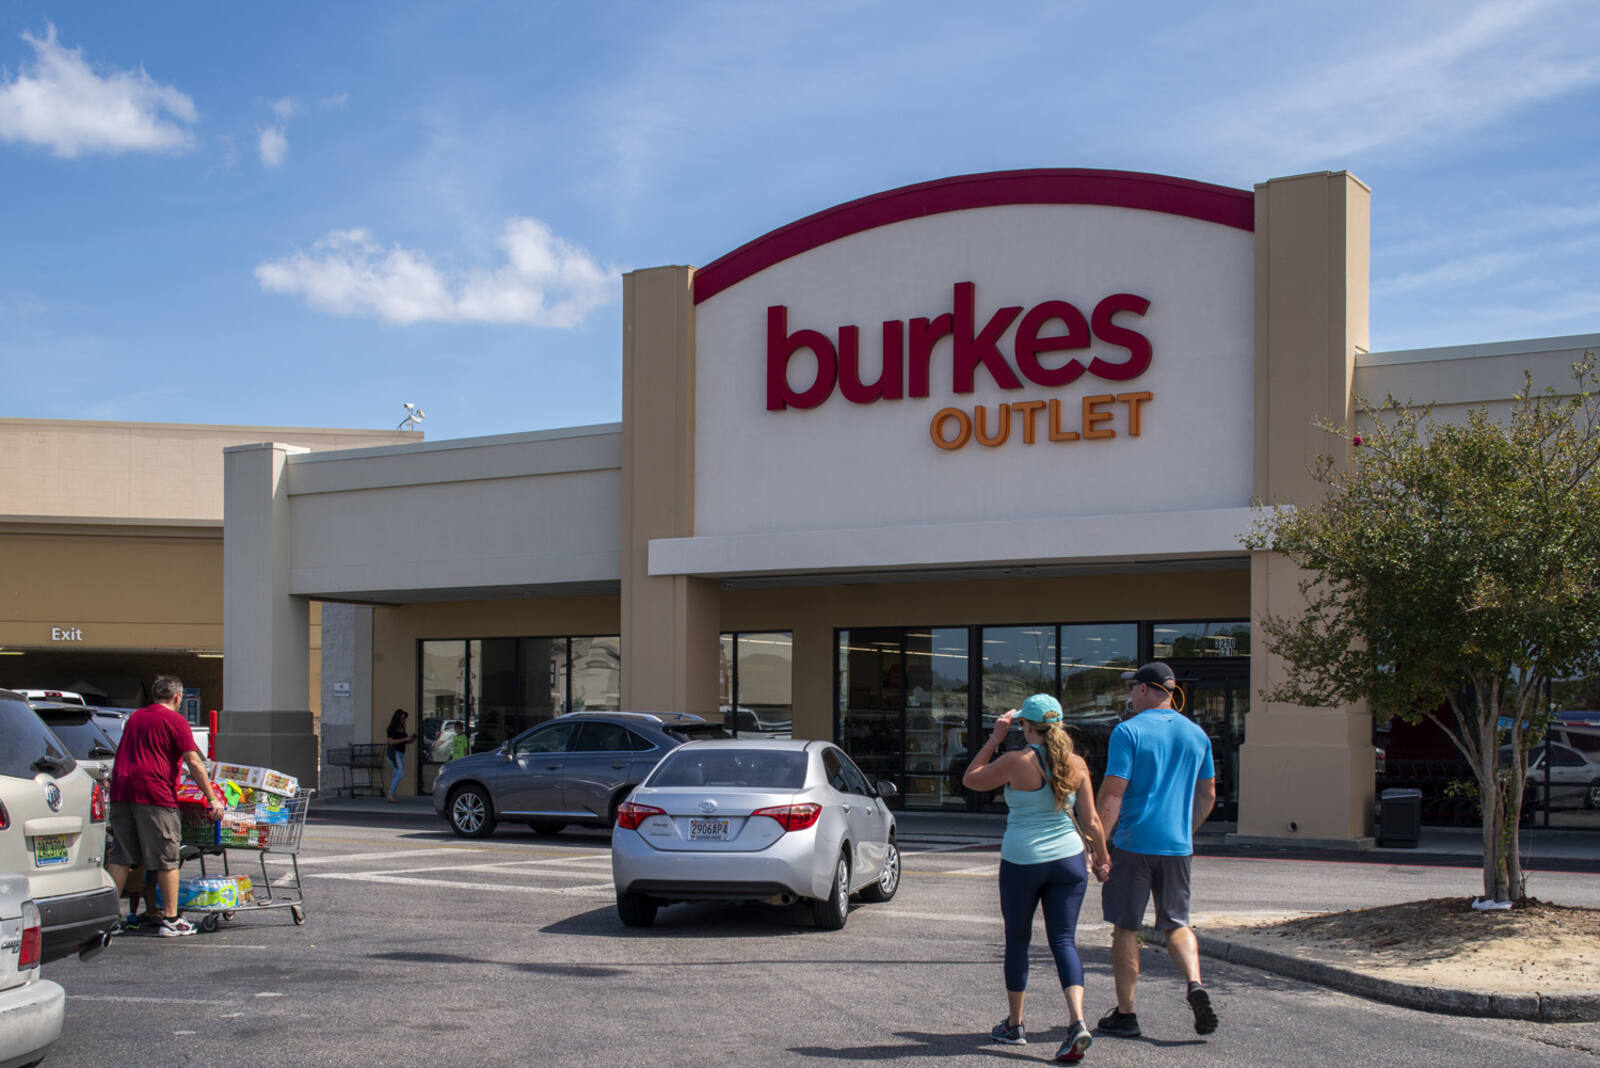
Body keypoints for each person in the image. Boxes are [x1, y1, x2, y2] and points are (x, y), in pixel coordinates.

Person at [963, 694, 1111, 1064]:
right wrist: (1102, 858)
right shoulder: (1077, 764)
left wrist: (995, 738)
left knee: (1018, 939)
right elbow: (1091, 821)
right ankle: (1077, 1023)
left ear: (1026, 727)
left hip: (1022, 861)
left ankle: (1015, 1026)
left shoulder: (1015, 761)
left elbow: (971, 779)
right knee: (1064, 941)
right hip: (1068, 862)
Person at [1093, 662, 1219, 1039]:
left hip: (1134, 843)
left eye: (1133, 688)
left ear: (1146, 690)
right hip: (1177, 846)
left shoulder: (1127, 731)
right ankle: (1195, 982)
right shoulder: (1197, 735)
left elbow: (1114, 792)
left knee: (1126, 928)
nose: (1130, 695)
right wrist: (1186, 829)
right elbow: (1208, 793)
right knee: (1176, 923)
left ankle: (1126, 1013)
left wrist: (1098, 845)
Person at [106, 675, 225, 937]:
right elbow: (193, 761)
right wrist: (211, 797)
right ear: (177, 697)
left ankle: (109, 919)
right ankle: (171, 919)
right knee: (166, 856)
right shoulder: (175, 720)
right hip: (154, 793)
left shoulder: (136, 717)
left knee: (121, 855)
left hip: (122, 790)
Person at [385, 708, 417, 802]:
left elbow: (404, 741)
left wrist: (410, 740)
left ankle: (391, 795)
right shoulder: (391, 728)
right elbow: (391, 742)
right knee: (400, 773)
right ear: (397, 718)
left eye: (404, 718)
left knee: (396, 774)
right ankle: (390, 794)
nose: (403, 720)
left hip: (401, 754)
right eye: (402, 718)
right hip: (394, 753)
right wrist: (405, 739)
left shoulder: (402, 728)